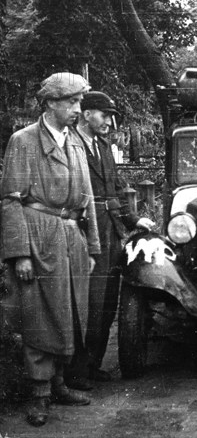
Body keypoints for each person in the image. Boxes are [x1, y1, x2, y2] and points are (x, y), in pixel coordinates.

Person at [0, 72, 101, 426]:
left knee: (70, 313)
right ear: (50, 104)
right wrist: (20, 254)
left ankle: (59, 383)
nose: (78, 109)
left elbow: (87, 200)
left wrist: (91, 247)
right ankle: (39, 395)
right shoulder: (23, 141)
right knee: (40, 317)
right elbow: (10, 201)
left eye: (79, 102)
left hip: (72, 238)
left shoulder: (74, 141)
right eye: (71, 102)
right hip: (39, 238)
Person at [65, 91, 154, 389]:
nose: (109, 122)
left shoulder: (103, 146)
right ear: (87, 113)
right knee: (84, 301)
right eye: (104, 115)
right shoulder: (69, 145)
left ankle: (93, 364)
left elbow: (116, 188)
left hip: (110, 230)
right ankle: (74, 371)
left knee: (105, 302)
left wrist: (134, 219)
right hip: (82, 229)